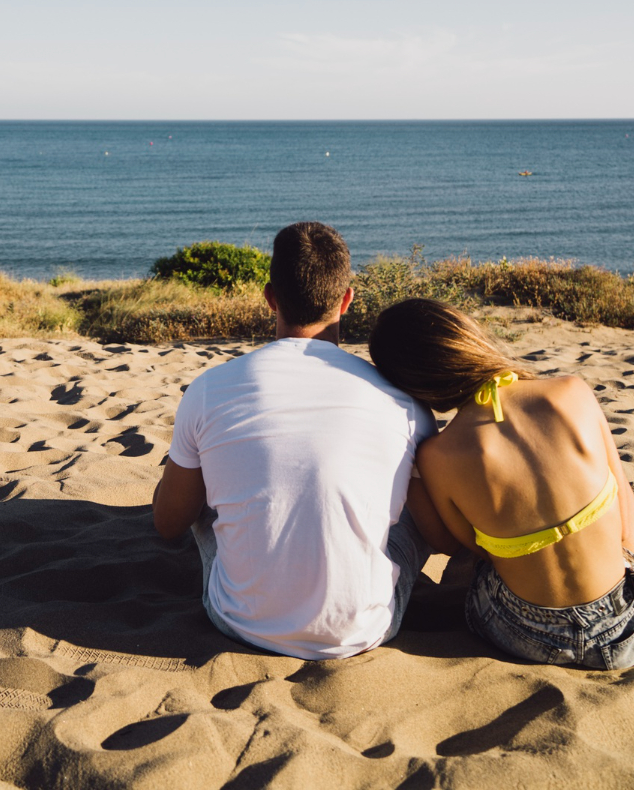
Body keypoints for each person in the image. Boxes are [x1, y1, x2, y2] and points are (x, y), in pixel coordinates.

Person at [152, 222, 437, 659]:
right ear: (347, 299)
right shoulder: (403, 401)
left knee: (201, 495)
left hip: (239, 621)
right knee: (417, 502)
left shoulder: (209, 389)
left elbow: (168, 524)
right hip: (365, 629)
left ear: (270, 298)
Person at [369, 298, 634, 669]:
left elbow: (456, 546)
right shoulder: (572, 392)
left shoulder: (438, 456)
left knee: (480, 559)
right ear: (469, 338)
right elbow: (625, 501)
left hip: (529, 639)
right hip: (630, 632)